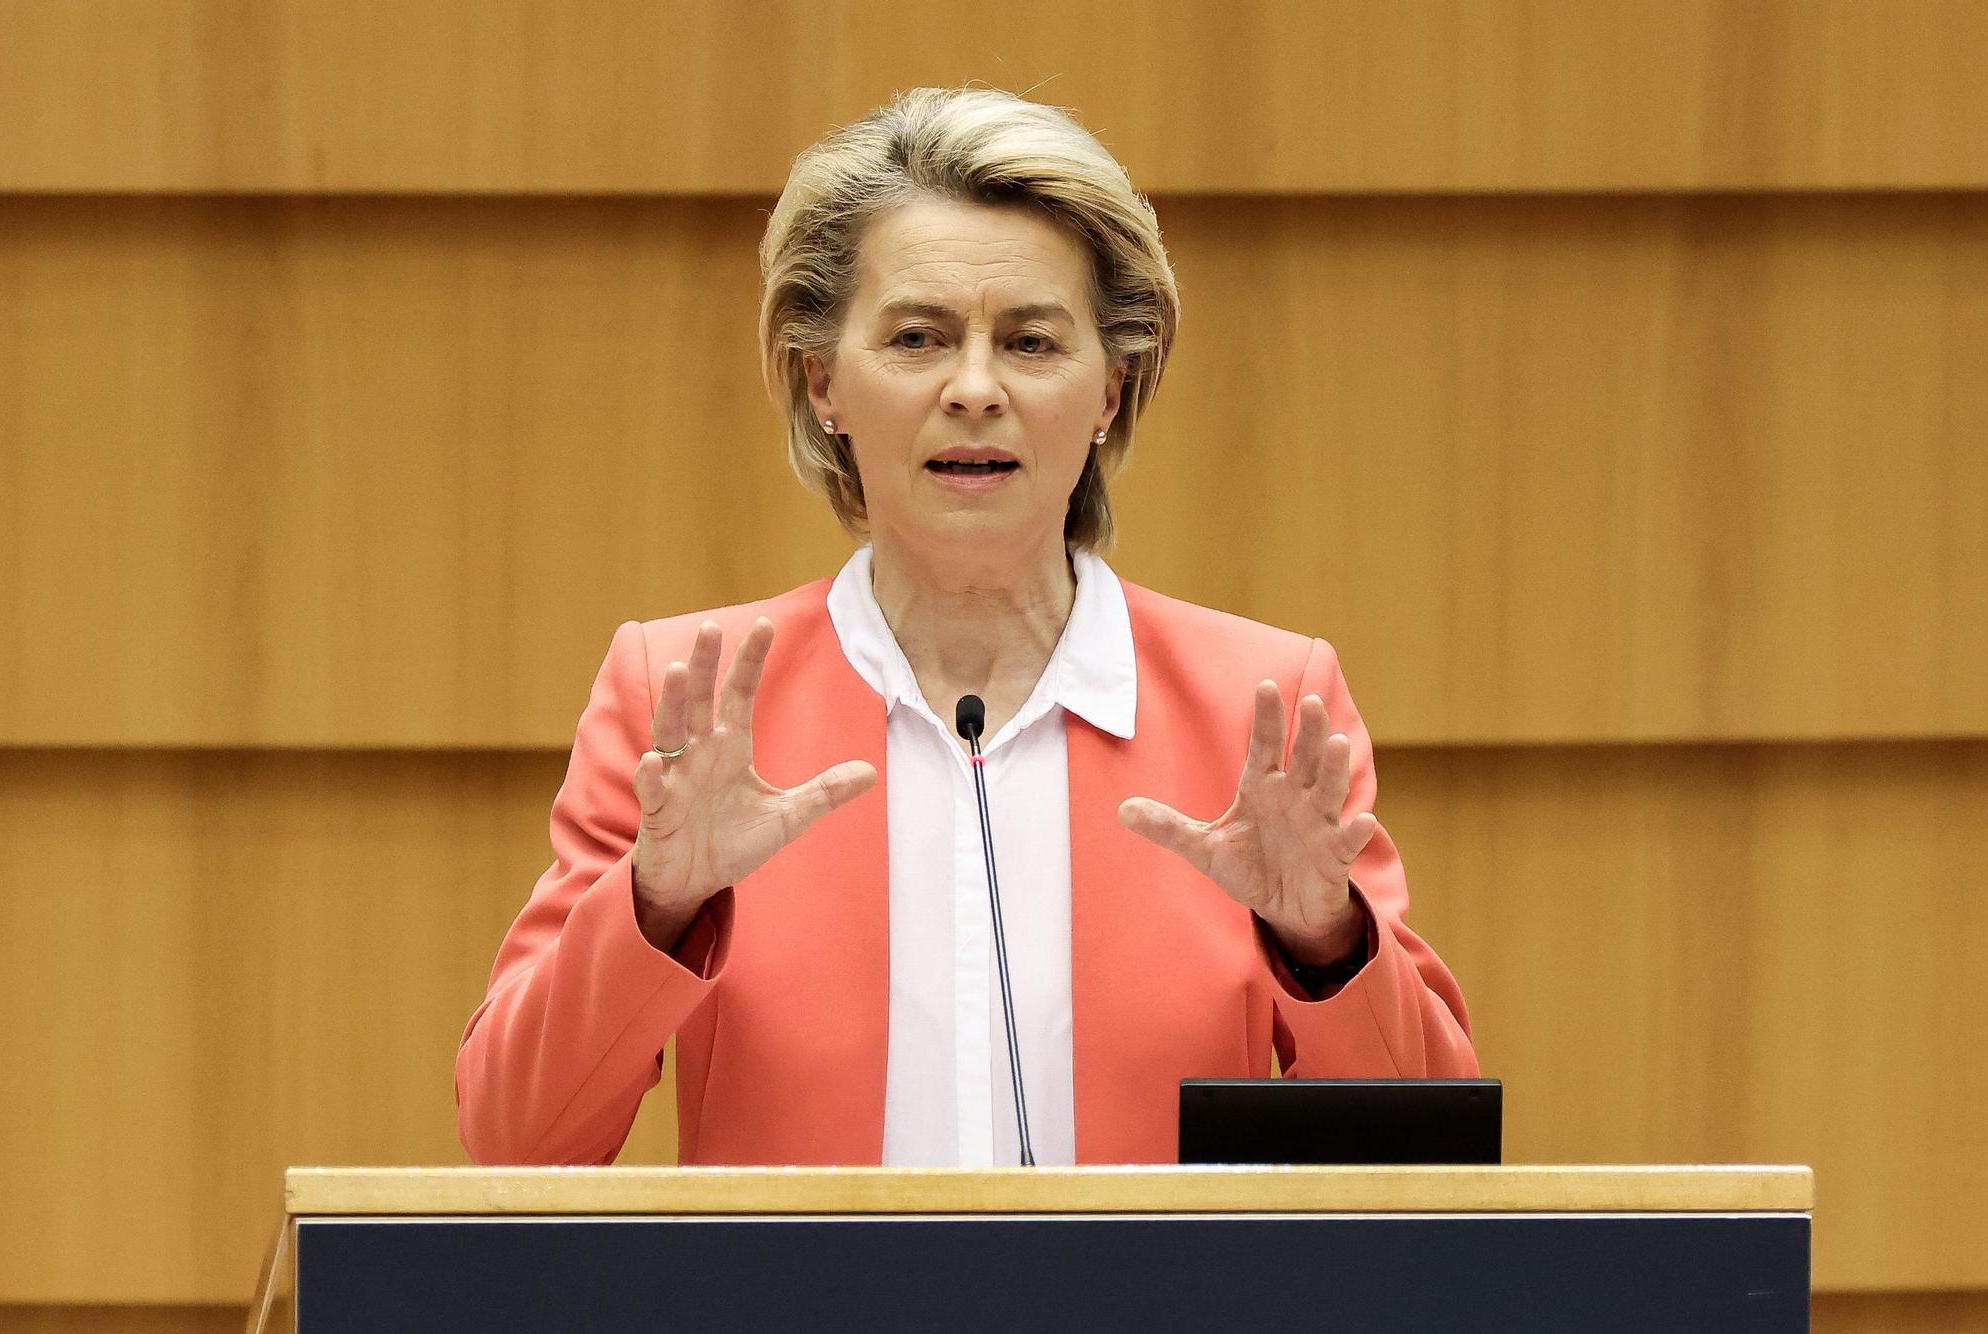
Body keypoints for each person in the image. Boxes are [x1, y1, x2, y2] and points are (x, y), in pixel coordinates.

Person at [456, 87, 1476, 1168]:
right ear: (823, 383)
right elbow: (517, 1141)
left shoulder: (1261, 708)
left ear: (1109, 391)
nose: (975, 388)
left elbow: (1430, 1167)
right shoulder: (687, 706)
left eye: (1031, 341)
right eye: (916, 337)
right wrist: (655, 905)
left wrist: (1323, 942)